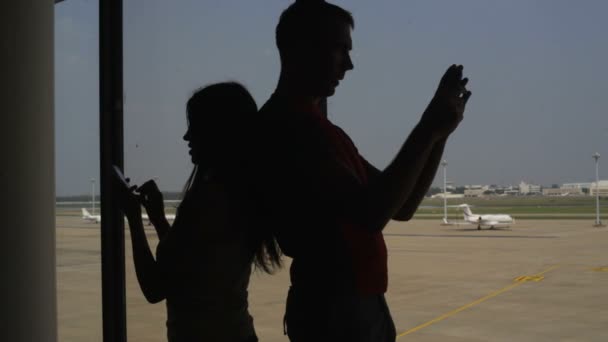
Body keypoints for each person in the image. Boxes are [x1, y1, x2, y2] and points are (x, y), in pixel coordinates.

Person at [249, 1, 472, 341]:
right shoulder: (290, 127)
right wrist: (428, 129)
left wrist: (439, 133)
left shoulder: (319, 130)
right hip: (335, 314)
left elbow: (403, 206)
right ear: (301, 49)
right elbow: (372, 213)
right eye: (340, 49)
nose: (349, 64)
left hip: (353, 306)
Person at [117, 82, 281, 342]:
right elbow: (191, 262)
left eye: (194, 126)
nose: (186, 136)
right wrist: (159, 220)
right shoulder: (237, 193)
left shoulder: (209, 199)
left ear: (216, 132)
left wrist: (134, 219)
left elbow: (155, 287)